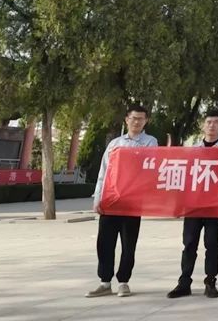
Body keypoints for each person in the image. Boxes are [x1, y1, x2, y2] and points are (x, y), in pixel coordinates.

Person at [86, 104, 158, 298]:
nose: (137, 122)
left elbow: (149, 167)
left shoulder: (150, 142)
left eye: (141, 119)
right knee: (105, 242)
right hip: (111, 200)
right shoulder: (115, 144)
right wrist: (98, 197)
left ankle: (124, 281)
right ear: (127, 119)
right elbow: (104, 171)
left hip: (132, 202)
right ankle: (105, 281)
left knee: (128, 243)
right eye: (133, 118)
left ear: (146, 121)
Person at [167, 110, 218, 299]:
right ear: (203, 126)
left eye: (216, 122)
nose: (212, 125)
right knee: (189, 243)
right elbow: (184, 178)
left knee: (211, 243)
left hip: (215, 204)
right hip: (193, 204)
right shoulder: (192, 149)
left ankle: (210, 281)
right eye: (208, 122)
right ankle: (184, 282)